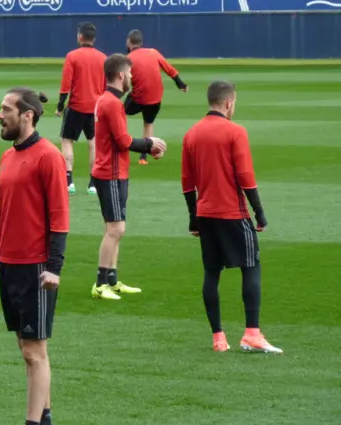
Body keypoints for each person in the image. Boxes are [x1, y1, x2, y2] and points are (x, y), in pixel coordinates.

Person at [0, 88, 68, 425]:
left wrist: (54, 269)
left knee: (35, 351)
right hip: (10, 264)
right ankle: (44, 423)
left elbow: (59, 218)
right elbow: (9, 216)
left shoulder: (48, 156)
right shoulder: (8, 157)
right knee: (25, 348)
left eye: (5, 109)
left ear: (27, 114)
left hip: (36, 267)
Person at [181, 80, 282, 354]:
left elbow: (187, 183)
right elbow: (245, 177)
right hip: (233, 213)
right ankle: (252, 333)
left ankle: (218, 338)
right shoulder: (235, 132)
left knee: (211, 273)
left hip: (205, 214)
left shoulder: (191, 134)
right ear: (228, 103)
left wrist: (193, 217)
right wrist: (259, 213)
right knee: (251, 266)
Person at [91, 54, 167, 300]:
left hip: (116, 172)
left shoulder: (108, 101)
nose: (132, 78)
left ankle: (111, 281)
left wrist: (147, 146)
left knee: (114, 229)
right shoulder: (111, 103)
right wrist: (150, 143)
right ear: (121, 75)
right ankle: (100, 284)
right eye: (130, 74)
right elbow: (123, 141)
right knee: (115, 229)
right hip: (110, 173)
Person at [56, 21, 107, 196]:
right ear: (94, 38)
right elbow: (106, 85)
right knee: (93, 143)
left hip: (76, 106)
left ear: (80, 36)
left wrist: (60, 105)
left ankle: (69, 181)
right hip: (95, 108)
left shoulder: (72, 56)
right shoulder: (103, 58)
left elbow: (65, 85)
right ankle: (93, 182)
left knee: (67, 140)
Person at [124, 29, 188, 165]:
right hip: (155, 99)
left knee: (119, 112)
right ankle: (143, 156)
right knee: (148, 123)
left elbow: (124, 82)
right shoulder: (153, 52)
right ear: (141, 42)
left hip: (138, 99)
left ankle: (121, 142)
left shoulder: (128, 59)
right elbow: (168, 68)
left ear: (129, 42)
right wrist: (181, 84)